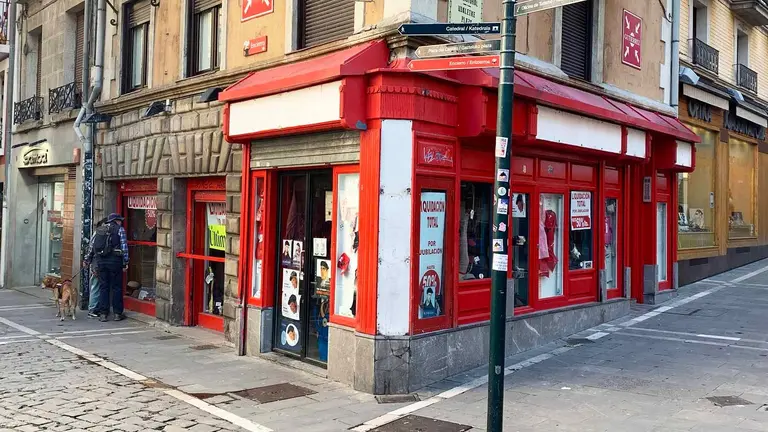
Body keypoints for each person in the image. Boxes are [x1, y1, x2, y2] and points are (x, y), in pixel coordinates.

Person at [85, 213, 129, 322]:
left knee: (103, 287)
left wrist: (87, 260)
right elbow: (124, 247)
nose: (121, 222)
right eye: (120, 220)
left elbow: (92, 246)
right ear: (116, 221)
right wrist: (126, 261)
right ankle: (117, 314)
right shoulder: (120, 230)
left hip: (101, 262)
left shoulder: (99, 230)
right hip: (115, 262)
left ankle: (103, 314)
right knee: (116, 287)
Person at [87, 217, 108, 318]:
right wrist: (88, 260)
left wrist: (87, 260)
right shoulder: (99, 234)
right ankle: (93, 309)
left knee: (97, 285)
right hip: (97, 263)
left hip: (96, 262)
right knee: (96, 286)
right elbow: (91, 249)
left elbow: (90, 248)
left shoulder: (97, 234)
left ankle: (95, 308)